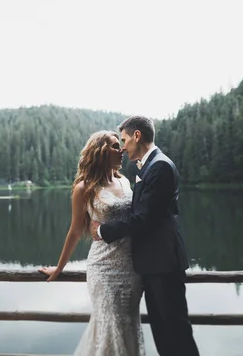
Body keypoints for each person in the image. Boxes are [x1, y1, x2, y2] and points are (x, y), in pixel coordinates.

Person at [90, 116, 200, 356]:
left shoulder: (159, 166)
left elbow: (142, 219)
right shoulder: (148, 166)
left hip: (163, 264)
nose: (123, 147)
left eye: (125, 140)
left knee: (176, 334)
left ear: (137, 136)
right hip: (152, 265)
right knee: (163, 334)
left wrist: (101, 230)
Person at [39, 130, 145, 356]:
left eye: (121, 145)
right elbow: (76, 230)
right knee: (111, 326)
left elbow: (135, 221)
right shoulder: (83, 188)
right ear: (101, 151)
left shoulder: (125, 182)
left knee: (127, 327)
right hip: (104, 270)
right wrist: (60, 268)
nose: (122, 150)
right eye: (116, 146)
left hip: (131, 270)